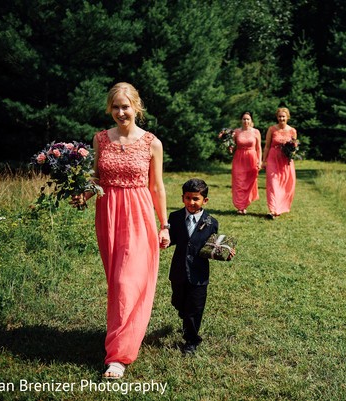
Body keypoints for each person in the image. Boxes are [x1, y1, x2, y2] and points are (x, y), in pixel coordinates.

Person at [72, 82, 170, 379]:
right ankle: (125, 334)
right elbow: (97, 177)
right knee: (117, 282)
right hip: (109, 216)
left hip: (139, 215)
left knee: (128, 281)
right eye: (115, 107)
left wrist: (164, 225)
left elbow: (157, 186)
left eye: (125, 106)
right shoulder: (100, 139)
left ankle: (118, 356)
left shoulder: (152, 142)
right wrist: (84, 194)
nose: (120, 112)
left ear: (136, 107)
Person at [167, 178, 233, 354]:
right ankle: (183, 311)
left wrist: (224, 253)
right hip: (178, 270)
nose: (191, 202)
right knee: (179, 302)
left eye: (196, 199)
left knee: (194, 309)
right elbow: (171, 239)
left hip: (199, 273)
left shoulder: (211, 222)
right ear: (183, 198)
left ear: (205, 200)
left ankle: (191, 341)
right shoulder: (174, 217)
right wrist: (162, 240)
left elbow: (211, 247)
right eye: (188, 198)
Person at [262, 107, 297, 219]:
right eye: (280, 116)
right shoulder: (272, 129)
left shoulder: (292, 131)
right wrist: (264, 161)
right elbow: (267, 146)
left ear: (287, 117)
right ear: (277, 117)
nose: (281, 118)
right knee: (273, 183)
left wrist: (292, 152)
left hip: (285, 161)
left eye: (283, 116)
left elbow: (294, 147)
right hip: (273, 158)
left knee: (284, 185)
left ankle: (280, 207)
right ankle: (273, 209)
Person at [231, 111, 262, 215]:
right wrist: (228, 146)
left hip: (251, 158)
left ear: (251, 120)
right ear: (241, 120)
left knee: (249, 183)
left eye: (248, 119)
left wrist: (260, 160)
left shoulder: (256, 132)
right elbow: (232, 146)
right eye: (244, 119)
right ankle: (240, 207)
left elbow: (259, 148)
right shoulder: (236, 132)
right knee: (239, 182)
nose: (246, 121)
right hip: (239, 158)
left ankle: (245, 204)